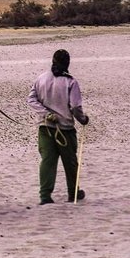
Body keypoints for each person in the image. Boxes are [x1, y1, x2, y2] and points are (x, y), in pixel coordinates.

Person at [27, 48, 90, 205]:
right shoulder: (71, 82)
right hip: (65, 129)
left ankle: (45, 196)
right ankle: (73, 193)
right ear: (67, 63)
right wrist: (83, 120)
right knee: (70, 163)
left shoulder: (41, 79)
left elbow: (31, 99)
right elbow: (75, 107)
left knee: (48, 161)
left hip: (45, 127)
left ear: (53, 61)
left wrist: (45, 113)